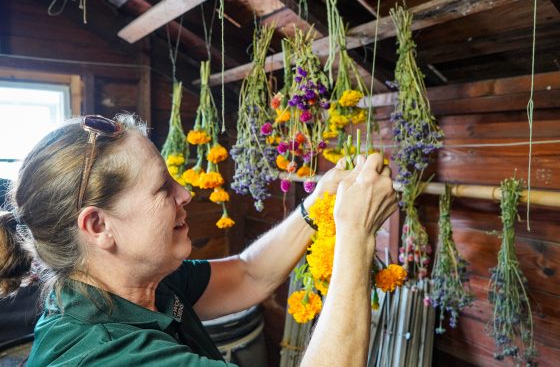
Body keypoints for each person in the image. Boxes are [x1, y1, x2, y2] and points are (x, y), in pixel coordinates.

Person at [0, 114, 397, 366]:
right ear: (98, 226)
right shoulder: (105, 356)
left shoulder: (142, 283)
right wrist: (356, 236)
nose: (186, 193)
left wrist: (317, 203)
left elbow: (249, 275)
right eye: (162, 188)